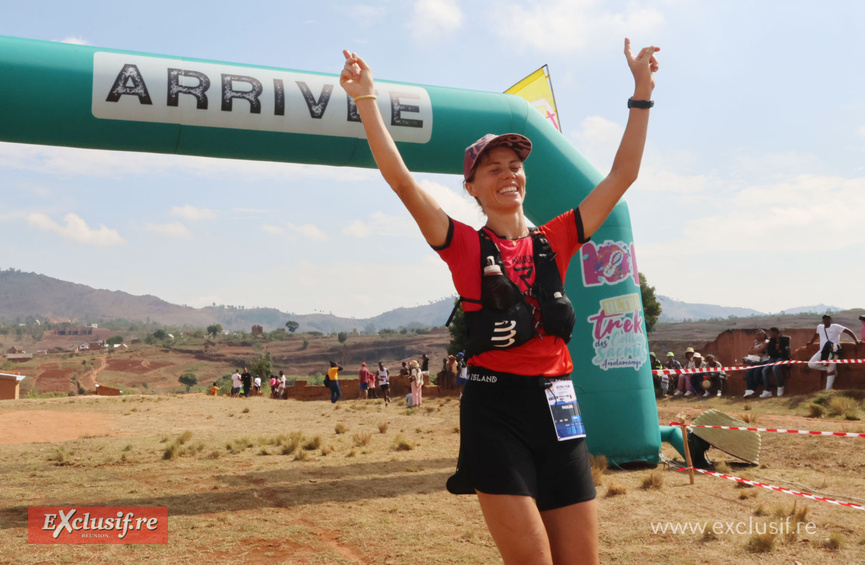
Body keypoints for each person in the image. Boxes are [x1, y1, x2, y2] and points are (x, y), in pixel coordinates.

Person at [340, 37, 658, 564]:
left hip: (560, 408)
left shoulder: (555, 239)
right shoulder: (464, 245)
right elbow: (401, 181)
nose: (509, 173)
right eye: (494, 168)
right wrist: (367, 100)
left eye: (515, 164)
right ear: (472, 187)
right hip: (496, 414)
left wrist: (641, 93)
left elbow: (622, 176)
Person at [807, 315, 861, 390]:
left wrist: (856, 340)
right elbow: (816, 334)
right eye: (825, 319)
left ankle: (827, 390)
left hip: (833, 351)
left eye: (828, 319)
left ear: (831, 320)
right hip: (822, 351)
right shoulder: (820, 327)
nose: (826, 321)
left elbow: (848, 331)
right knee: (811, 364)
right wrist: (811, 342)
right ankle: (832, 370)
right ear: (822, 321)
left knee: (830, 372)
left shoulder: (836, 327)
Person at [761, 327, 791, 397]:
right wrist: (779, 351)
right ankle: (767, 390)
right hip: (773, 358)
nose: (770, 334)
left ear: (776, 332)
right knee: (764, 370)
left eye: (771, 333)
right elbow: (770, 352)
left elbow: (785, 352)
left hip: (782, 358)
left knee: (775, 368)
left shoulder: (785, 339)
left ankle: (780, 386)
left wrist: (778, 352)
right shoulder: (771, 340)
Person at [742, 329, 769, 398]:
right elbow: (749, 351)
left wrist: (755, 351)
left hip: (764, 361)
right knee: (749, 373)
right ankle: (749, 390)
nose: (759, 336)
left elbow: (762, 349)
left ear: (764, 335)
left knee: (756, 373)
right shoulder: (755, 342)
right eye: (757, 334)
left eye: (760, 334)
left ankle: (752, 390)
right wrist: (758, 352)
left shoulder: (766, 341)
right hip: (755, 360)